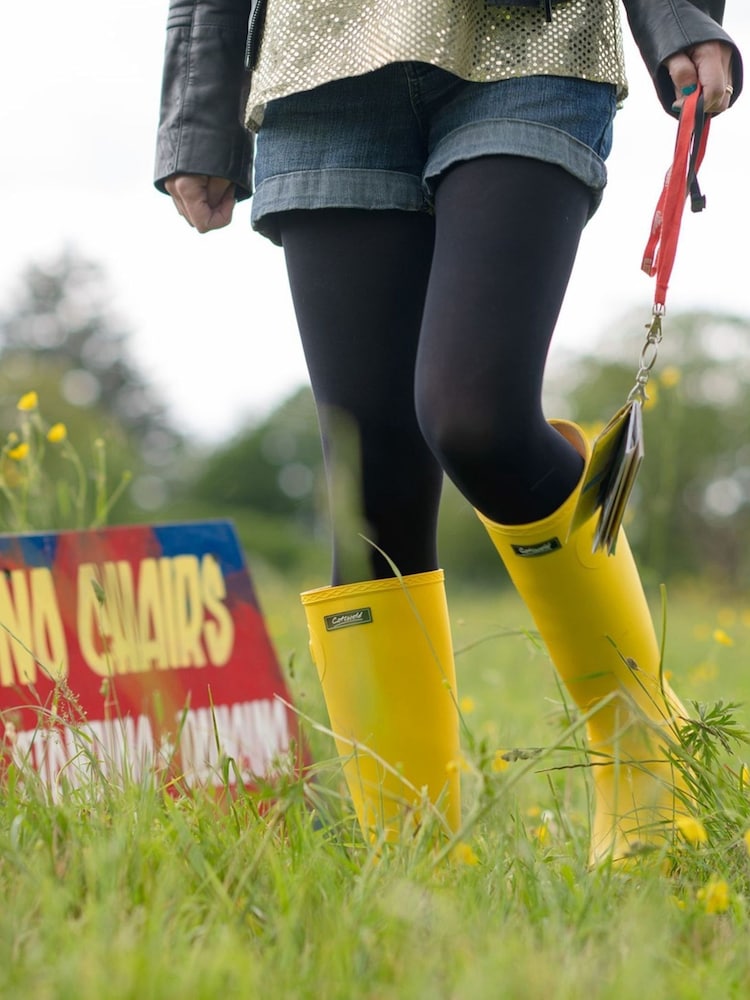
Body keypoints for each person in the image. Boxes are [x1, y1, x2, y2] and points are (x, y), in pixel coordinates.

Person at [155, 0, 742, 863]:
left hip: (529, 38)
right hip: (320, 64)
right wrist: (199, 113)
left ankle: (647, 752)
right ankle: (408, 860)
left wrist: (679, 17)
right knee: (369, 492)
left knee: (477, 420)